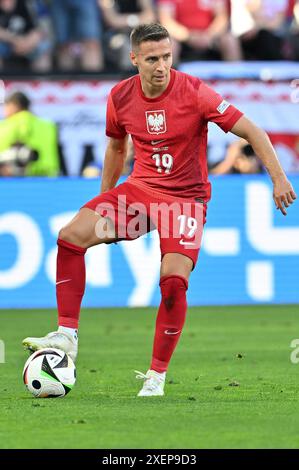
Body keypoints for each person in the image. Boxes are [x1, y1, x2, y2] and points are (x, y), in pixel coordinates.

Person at [22, 23, 296, 397]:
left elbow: (252, 131)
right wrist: (104, 200)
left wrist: (278, 178)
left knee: (172, 283)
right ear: (134, 59)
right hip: (140, 192)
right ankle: (67, 335)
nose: (161, 66)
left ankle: (156, 376)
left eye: (167, 56)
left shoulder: (196, 92)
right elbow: (116, 149)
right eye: (152, 58)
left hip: (185, 199)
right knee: (70, 237)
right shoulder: (120, 97)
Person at [157, 0, 241, 63]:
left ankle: (237, 82)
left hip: (210, 38)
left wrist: (209, 35)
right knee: (170, 45)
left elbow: (221, 17)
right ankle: (168, 84)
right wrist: (188, 36)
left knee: (229, 40)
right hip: (182, 39)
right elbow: (166, 20)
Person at [0, 91, 59, 176]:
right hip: (50, 177)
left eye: (6, 106)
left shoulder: (7, 125)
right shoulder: (49, 125)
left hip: (20, 180)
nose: (4, 111)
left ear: (14, 105)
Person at [0, 0, 52, 71]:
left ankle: (41, 81)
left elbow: (43, 29)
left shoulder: (31, 3)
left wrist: (27, 43)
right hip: (5, 44)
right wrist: (15, 40)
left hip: (27, 42)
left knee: (44, 48)